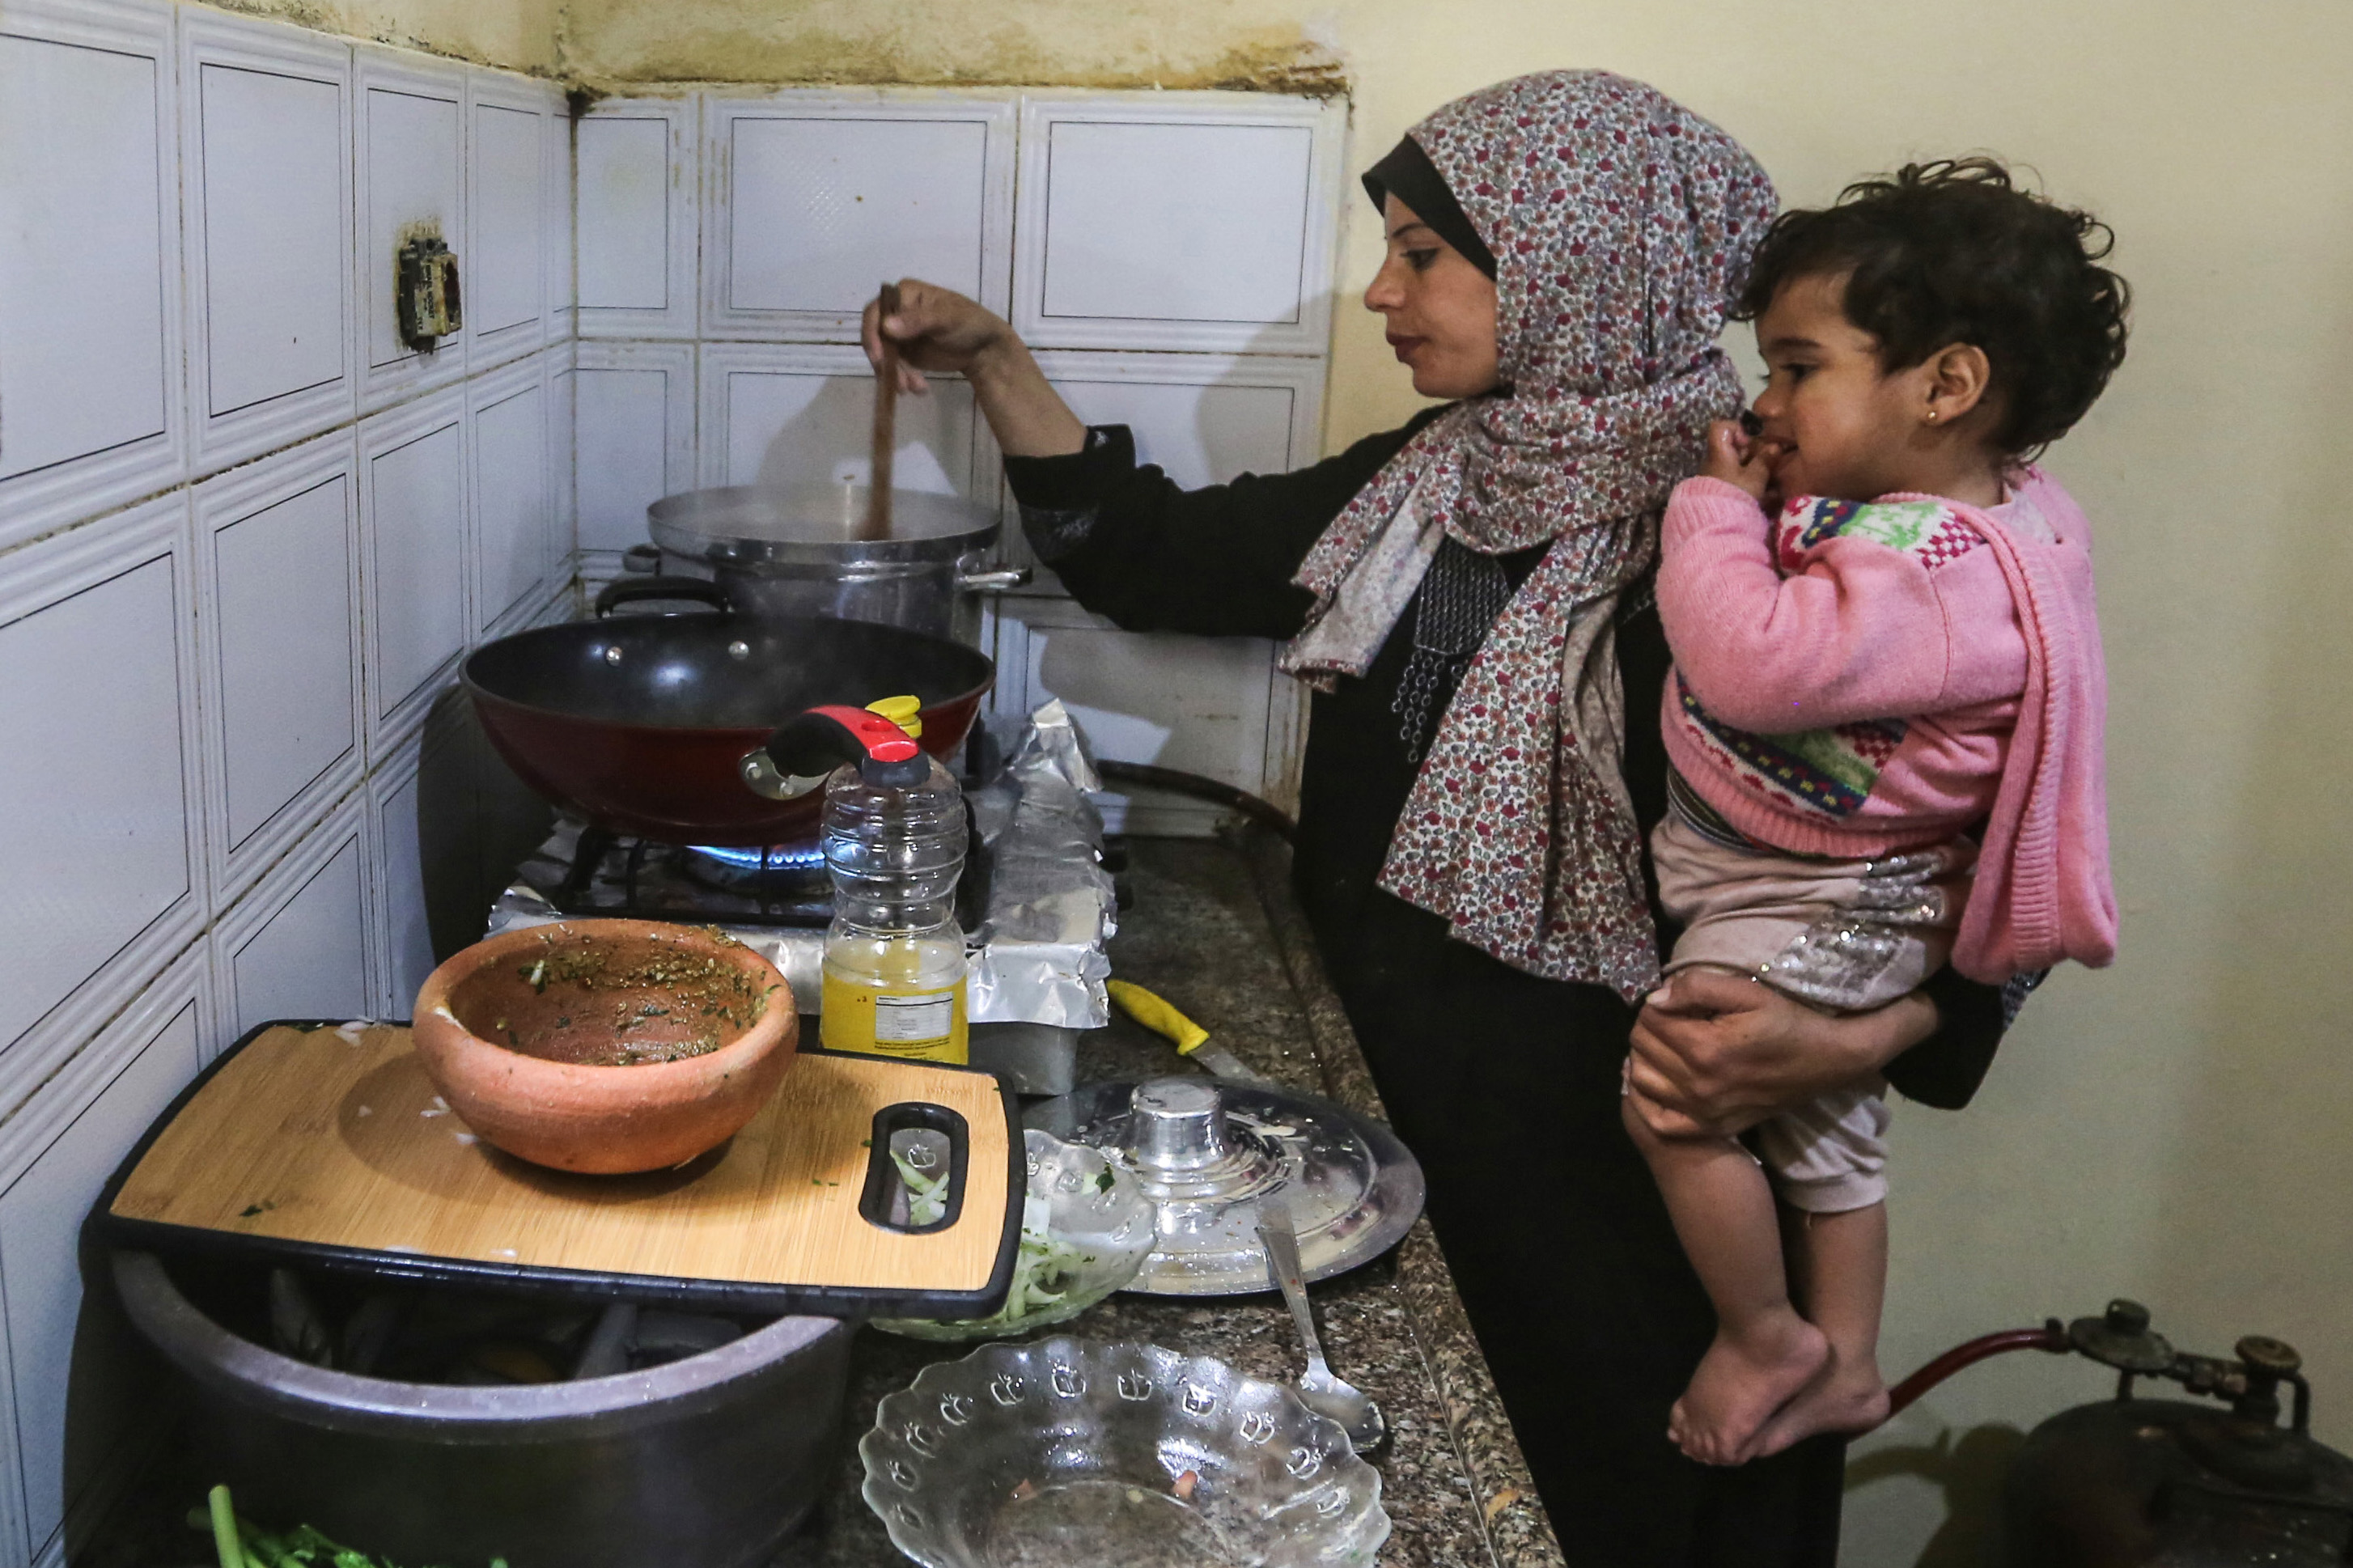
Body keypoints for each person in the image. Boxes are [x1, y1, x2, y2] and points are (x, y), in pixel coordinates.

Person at [867, 71, 2021, 1565]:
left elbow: (1988, 868)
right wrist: (993, 358)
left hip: (1638, 1190)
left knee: (1628, 1507)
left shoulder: (1768, 533)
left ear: (1568, 263)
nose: (1380, 294)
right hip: (1404, 1129)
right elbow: (1157, 557)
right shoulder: (1430, 483)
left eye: (1424, 253)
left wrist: (1863, 1036)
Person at [1619, 159, 2128, 1468]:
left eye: (1798, 368)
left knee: (1677, 1094)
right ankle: (1847, 1358)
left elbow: (1752, 661)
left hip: (1835, 891)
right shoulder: (1953, 519)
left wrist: (1716, 509)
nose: (1764, 400)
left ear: (1947, 387)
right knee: (1824, 1125)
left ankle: (1765, 1334)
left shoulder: (1943, 573)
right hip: (1802, 875)